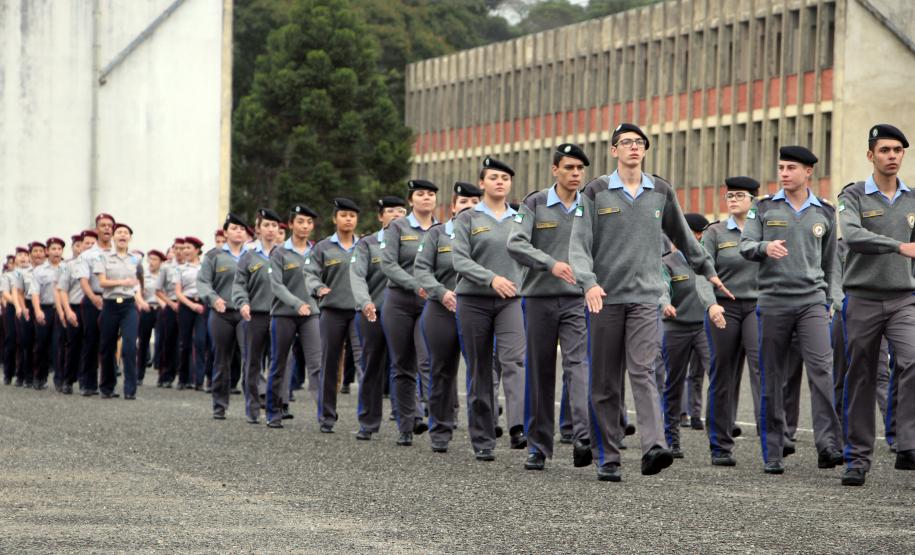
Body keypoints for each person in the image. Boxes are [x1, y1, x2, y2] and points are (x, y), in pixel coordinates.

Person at [569, 123, 732, 482]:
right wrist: (589, 284)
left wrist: (707, 270)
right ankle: (608, 456)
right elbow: (579, 246)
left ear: (644, 150)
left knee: (643, 370)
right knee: (606, 381)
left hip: (645, 297)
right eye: (625, 142)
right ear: (613, 150)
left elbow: (685, 238)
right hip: (605, 300)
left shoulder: (660, 190)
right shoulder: (595, 191)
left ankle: (654, 447)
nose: (632, 148)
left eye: (638, 143)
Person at [739, 145, 844, 475]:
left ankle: (828, 445)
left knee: (822, 372)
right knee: (773, 377)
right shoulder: (764, 207)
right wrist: (764, 247)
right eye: (781, 167)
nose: (784, 173)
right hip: (773, 303)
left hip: (812, 302)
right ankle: (773, 450)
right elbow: (744, 246)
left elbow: (830, 265)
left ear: (808, 172)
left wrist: (830, 301)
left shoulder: (825, 212)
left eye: (791, 168)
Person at [506, 144, 593, 471]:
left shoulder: (590, 205)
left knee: (578, 365)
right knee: (540, 372)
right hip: (539, 299)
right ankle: (538, 447)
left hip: (576, 300)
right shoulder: (535, 203)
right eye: (569, 168)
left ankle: (583, 436)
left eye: (580, 169)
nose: (575, 174)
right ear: (554, 169)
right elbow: (515, 243)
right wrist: (549, 264)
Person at [838, 124, 915, 486]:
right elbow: (852, 236)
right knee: (862, 376)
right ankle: (857, 458)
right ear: (871, 155)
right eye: (885, 150)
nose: (892, 156)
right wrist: (897, 245)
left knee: (912, 359)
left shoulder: (913, 198)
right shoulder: (853, 195)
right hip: (863, 298)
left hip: (903, 298)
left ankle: (907, 443)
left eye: (898, 150)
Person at [452, 156, 527, 461]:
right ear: (482, 183)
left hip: (510, 301)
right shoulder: (467, 219)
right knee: (481, 369)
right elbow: (459, 260)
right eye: (493, 177)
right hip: (473, 301)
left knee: (514, 361)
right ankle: (483, 436)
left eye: (505, 178)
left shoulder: (520, 219)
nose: (500, 182)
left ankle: (519, 426)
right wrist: (491, 278)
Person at [701, 177, 764, 466]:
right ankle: (720, 445)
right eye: (729, 195)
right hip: (723, 307)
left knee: (762, 369)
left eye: (740, 195)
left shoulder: (763, 231)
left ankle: (771, 442)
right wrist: (711, 304)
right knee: (722, 372)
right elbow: (702, 273)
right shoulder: (715, 232)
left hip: (757, 306)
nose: (733, 199)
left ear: (754, 201)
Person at [415, 182, 482, 452]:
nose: (469, 208)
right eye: (464, 203)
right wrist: (442, 293)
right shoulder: (437, 234)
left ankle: (482, 433)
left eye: (475, 203)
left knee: (480, 371)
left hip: (477, 307)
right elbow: (421, 269)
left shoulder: (488, 234)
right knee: (441, 370)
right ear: (453, 207)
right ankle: (440, 429)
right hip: (441, 309)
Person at [381, 180, 440, 445]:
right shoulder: (398, 227)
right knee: (403, 364)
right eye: (420, 194)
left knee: (428, 359)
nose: (426, 198)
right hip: (400, 301)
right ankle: (406, 425)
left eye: (430, 194)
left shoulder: (442, 229)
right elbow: (388, 264)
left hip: (431, 302)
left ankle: (438, 421)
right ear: (411, 200)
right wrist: (416, 285)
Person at [658, 224, 724, 460]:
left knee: (716, 378)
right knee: (673, 384)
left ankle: (718, 443)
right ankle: (671, 439)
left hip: (704, 327)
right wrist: (665, 304)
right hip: (676, 329)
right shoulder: (668, 261)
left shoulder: (707, 261)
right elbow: (662, 286)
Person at [266, 204, 327, 428]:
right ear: (291, 224)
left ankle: (325, 415)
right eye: (300, 221)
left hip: (311, 315)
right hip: (283, 315)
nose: (305, 226)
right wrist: (296, 303)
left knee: (317, 364)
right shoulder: (279, 252)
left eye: (309, 222)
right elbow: (277, 286)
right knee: (279, 363)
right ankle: (274, 411)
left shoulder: (317, 251)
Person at [350, 196, 406, 440]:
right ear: (380, 216)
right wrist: (365, 302)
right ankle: (368, 422)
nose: (396, 214)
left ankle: (406, 423)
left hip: (404, 313)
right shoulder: (368, 244)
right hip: (373, 313)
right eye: (391, 210)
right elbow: (357, 275)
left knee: (404, 365)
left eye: (401, 210)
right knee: (372, 365)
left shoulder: (415, 242)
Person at [311, 198, 361, 433]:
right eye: (344, 215)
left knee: (364, 364)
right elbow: (310, 273)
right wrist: (317, 287)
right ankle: (327, 417)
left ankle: (367, 419)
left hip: (359, 312)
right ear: (335, 219)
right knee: (330, 364)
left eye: (352, 215)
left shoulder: (364, 246)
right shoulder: (322, 247)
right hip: (332, 312)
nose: (348, 219)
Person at [233, 208, 282, 424]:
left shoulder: (285, 254)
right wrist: (243, 303)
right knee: (252, 364)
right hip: (255, 317)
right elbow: (239, 285)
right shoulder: (248, 256)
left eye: (274, 226)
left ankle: (275, 409)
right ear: (258, 228)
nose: (271, 230)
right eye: (266, 225)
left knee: (278, 363)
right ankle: (252, 407)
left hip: (281, 316)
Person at [199, 214, 249, 419]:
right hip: (222, 313)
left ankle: (254, 406)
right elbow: (203, 282)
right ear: (225, 232)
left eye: (241, 229)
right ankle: (219, 405)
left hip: (246, 314)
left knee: (249, 358)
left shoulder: (253, 256)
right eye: (234, 228)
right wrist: (213, 298)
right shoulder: (214, 256)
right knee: (221, 359)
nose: (238, 232)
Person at [97, 223, 149, 399]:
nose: (122, 235)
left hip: (128, 305)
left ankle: (130, 390)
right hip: (110, 305)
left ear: (130, 238)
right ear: (113, 237)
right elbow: (102, 282)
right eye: (119, 232)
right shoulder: (103, 258)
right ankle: (107, 387)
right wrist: (122, 283)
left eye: (126, 233)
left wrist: (140, 298)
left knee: (129, 347)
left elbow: (138, 282)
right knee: (107, 347)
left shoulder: (135, 259)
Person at [73, 213, 116, 396]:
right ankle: (88, 383)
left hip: (114, 300)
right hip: (93, 300)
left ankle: (107, 386)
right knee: (91, 341)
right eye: (103, 225)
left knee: (109, 343)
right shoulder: (87, 255)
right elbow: (83, 280)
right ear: (97, 229)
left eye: (109, 225)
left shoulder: (118, 253)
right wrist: (93, 298)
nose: (106, 228)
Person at [29, 237, 65, 390]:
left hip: (61, 310)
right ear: (47, 251)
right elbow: (35, 293)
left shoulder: (66, 268)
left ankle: (59, 379)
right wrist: (38, 311)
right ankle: (40, 376)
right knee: (42, 344)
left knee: (59, 344)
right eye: (53, 249)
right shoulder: (39, 270)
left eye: (59, 249)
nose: (56, 252)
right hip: (46, 309)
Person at [175, 236, 207, 390]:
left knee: (201, 341)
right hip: (187, 305)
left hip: (202, 304)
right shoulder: (180, 268)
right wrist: (192, 305)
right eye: (183, 248)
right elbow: (178, 293)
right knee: (184, 342)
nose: (185, 251)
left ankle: (199, 380)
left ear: (197, 250)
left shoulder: (205, 267)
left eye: (188, 248)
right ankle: (183, 379)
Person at [155, 238, 185, 387]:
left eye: (182, 248)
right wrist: (171, 304)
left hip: (188, 306)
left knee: (184, 342)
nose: (179, 252)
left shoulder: (191, 267)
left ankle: (184, 377)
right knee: (169, 341)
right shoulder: (166, 267)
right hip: (171, 306)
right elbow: (158, 290)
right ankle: (165, 374)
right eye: (176, 249)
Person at [137, 249, 164, 385]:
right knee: (143, 342)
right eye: (150, 259)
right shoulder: (143, 276)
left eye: (155, 260)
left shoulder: (163, 275)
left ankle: (162, 376)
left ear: (161, 262)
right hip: (147, 308)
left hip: (160, 309)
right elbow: (138, 292)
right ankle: (139, 375)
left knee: (161, 342)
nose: (151, 262)